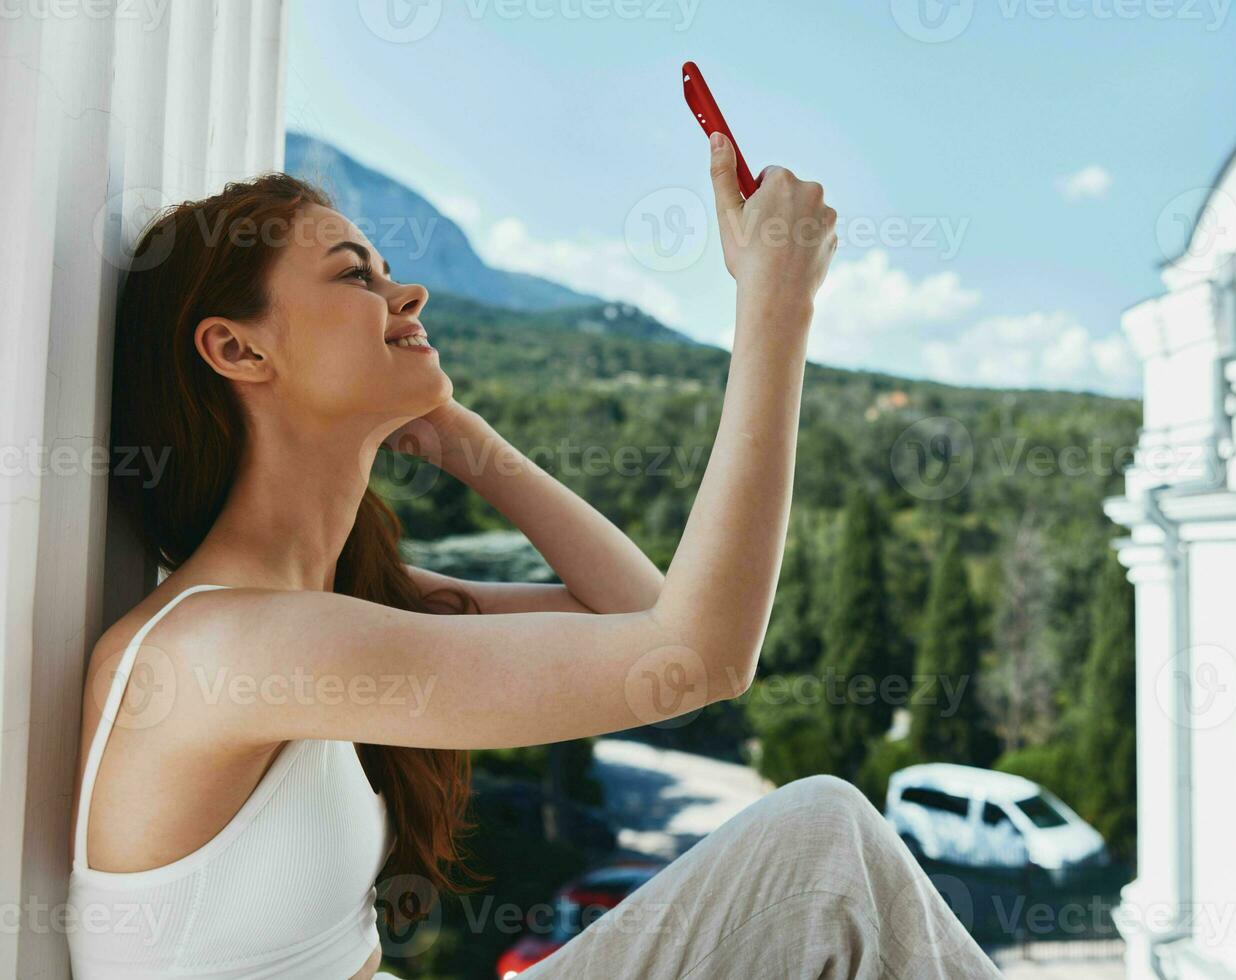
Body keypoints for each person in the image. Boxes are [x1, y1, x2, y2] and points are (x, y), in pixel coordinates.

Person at [67, 130, 1003, 979]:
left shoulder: (320, 610)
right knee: (824, 852)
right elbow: (698, 658)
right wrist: (776, 303)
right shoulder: (228, 648)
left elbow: (643, 613)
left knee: (825, 844)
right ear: (238, 349)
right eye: (356, 276)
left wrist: (466, 441)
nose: (408, 291)